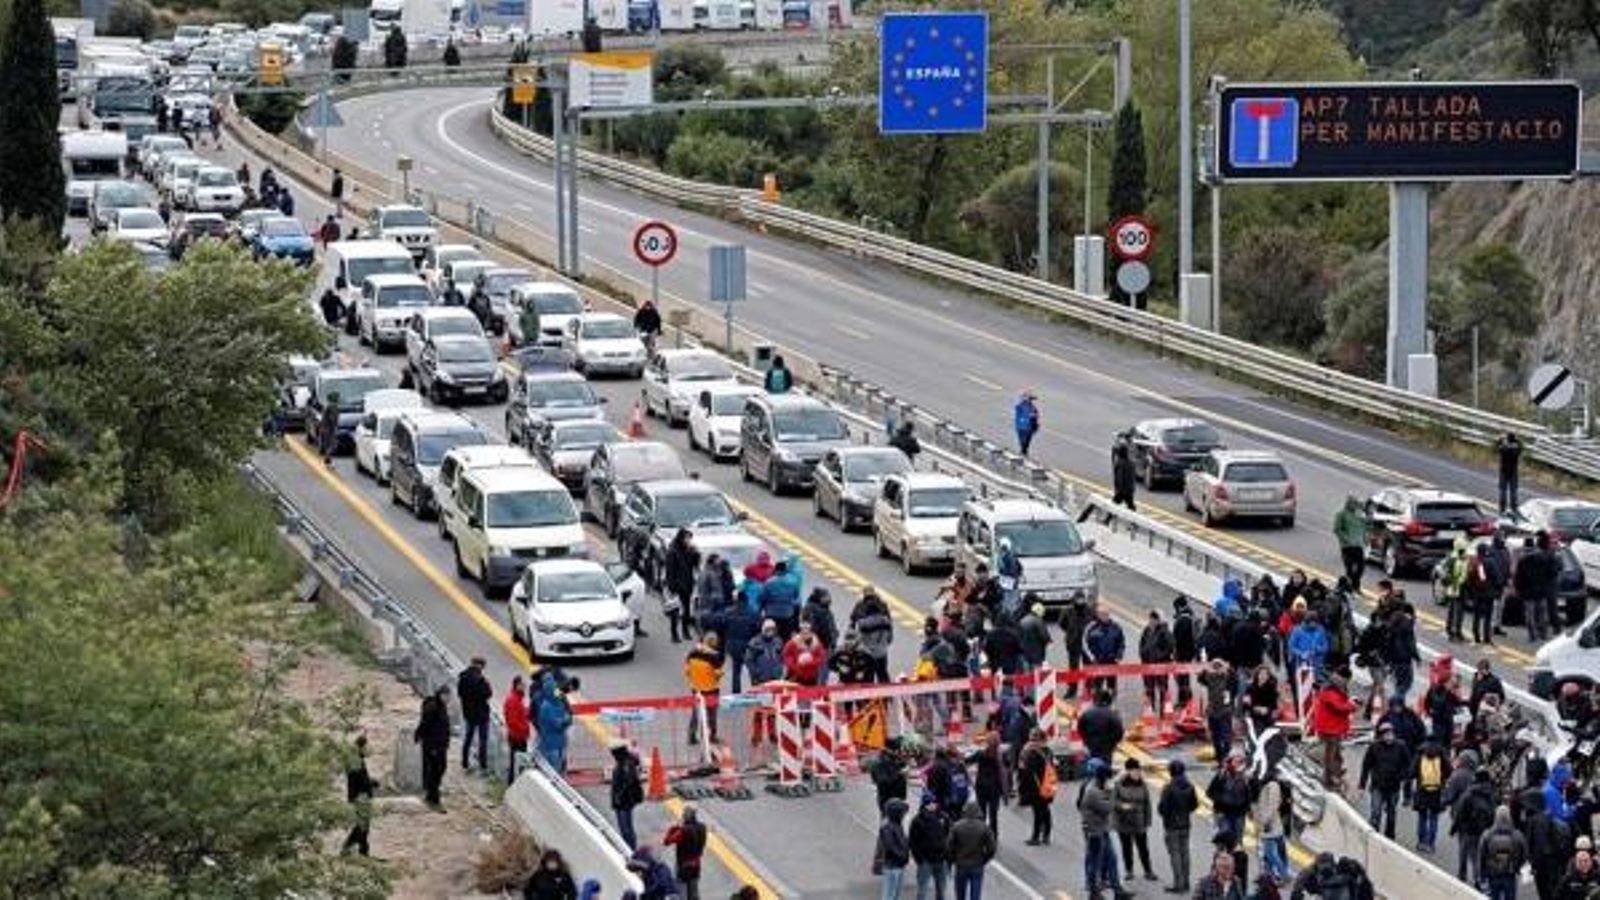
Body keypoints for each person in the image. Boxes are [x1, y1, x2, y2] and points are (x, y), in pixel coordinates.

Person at [1079, 758, 1129, 900]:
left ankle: (1118, 891)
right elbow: (1107, 808)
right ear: (1102, 779)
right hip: (1094, 833)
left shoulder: (1098, 787)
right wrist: (1113, 790)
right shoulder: (1092, 792)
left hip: (1102, 830)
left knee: (1112, 860)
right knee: (1095, 863)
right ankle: (1093, 892)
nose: (1110, 781)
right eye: (1108, 779)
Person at [1359, 722, 1412, 839]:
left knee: (1391, 814)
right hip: (1377, 785)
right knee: (1375, 812)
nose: (1389, 737)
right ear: (1381, 736)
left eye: (1391, 734)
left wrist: (1403, 777)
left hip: (1394, 786)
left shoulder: (1401, 746)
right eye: (1386, 734)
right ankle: (1373, 836)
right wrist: (1362, 786)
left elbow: (1408, 765)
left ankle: (1389, 837)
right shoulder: (1374, 747)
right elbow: (1366, 766)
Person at [1310, 671, 1357, 790]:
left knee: (1335, 754)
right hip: (1330, 729)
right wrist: (1352, 706)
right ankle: (1329, 780)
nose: (1348, 683)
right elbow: (1339, 707)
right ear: (1344, 678)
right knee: (1330, 756)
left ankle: (1336, 773)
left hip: (1333, 728)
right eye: (1348, 680)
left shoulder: (1333, 688)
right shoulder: (1330, 691)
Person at [1159, 759, 1200, 894]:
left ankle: (1179, 884)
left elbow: (1163, 809)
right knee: (1185, 853)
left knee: (1175, 855)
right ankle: (1186, 882)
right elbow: (1194, 805)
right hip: (1185, 824)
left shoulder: (1168, 788)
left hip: (1171, 826)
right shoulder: (1190, 786)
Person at [1452, 768, 1499, 885]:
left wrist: (1454, 827)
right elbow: (1494, 811)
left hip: (1468, 829)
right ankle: (1478, 877)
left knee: (1464, 852)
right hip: (1485, 829)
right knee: (1479, 854)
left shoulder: (1469, 793)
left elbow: (1460, 812)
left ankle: (1462, 874)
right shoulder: (1491, 794)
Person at [1113, 758, 1157, 882]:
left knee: (1143, 848)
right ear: (1128, 771)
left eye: (1138, 770)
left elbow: (1147, 803)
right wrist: (1122, 806)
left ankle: (1148, 870)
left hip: (1139, 821)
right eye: (1134, 770)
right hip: (1124, 821)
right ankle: (1129, 870)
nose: (1137, 773)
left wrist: (1148, 820)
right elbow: (1113, 802)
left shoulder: (1142, 784)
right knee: (1126, 848)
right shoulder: (1119, 784)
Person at [947, 802, 996, 900]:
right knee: (975, 895)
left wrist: (953, 859)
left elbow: (949, 846)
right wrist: (984, 860)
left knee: (960, 894)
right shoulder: (984, 827)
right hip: (977, 864)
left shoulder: (957, 826)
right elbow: (992, 848)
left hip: (961, 865)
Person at [413, 685, 451, 810]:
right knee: (435, 769)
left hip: (441, 744)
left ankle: (432, 792)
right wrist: (418, 735)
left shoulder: (442, 707)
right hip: (432, 744)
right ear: (439, 695)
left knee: (441, 768)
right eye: (445, 695)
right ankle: (434, 798)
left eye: (448, 695)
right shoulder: (433, 707)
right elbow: (424, 724)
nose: (447, 698)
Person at [1479, 805, 1528, 900]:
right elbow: (1524, 854)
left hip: (1493, 873)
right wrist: (1517, 867)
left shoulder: (1487, 835)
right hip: (1510, 873)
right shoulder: (1517, 835)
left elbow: (1481, 855)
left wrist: (1482, 875)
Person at [909, 794, 951, 900]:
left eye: (934, 802)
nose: (934, 804)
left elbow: (949, 836)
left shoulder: (944, 817)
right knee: (922, 890)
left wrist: (947, 855)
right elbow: (913, 841)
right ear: (925, 804)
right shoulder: (918, 820)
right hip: (926, 861)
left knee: (941, 891)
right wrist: (919, 858)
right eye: (931, 803)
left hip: (941, 859)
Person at [1017, 728, 1056, 846]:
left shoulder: (1032, 753)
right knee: (1045, 810)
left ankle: (1036, 837)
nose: (1030, 740)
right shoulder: (1048, 751)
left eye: (1032, 737)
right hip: (1048, 784)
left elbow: (1028, 771)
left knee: (1038, 812)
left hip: (1037, 787)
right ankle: (1046, 835)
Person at [684, 634, 724, 745]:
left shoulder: (692, 653)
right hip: (711, 689)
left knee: (696, 713)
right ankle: (711, 736)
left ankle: (691, 736)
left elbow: (687, 670)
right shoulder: (714, 657)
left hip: (696, 688)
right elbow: (717, 673)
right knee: (711, 714)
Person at [342, 733, 378, 855]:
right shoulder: (355, 761)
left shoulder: (355, 758)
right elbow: (360, 781)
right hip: (360, 796)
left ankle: (362, 850)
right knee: (362, 825)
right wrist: (372, 783)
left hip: (358, 795)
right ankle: (350, 847)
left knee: (363, 825)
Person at [1207, 753, 1254, 845]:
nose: (1239, 764)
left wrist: (1249, 810)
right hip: (1223, 813)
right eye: (1236, 761)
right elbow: (1209, 792)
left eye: (1241, 762)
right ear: (1229, 762)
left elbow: (1252, 795)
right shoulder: (1221, 775)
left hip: (1239, 814)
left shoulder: (1246, 778)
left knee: (1238, 840)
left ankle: (1237, 858)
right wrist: (1221, 801)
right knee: (1225, 839)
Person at [457, 657, 493, 773]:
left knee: (468, 738)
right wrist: (487, 684)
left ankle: (465, 762)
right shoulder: (480, 679)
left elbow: (460, 694)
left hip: (468, 712)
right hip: (481, 713)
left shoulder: (463, 677)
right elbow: (487, 694)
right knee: (483, 740)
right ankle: (483, 765)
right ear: (480, 666)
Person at [851, 587, 895, 683]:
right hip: (882, 652)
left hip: (867, 654)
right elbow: (890, 635)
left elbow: (856, 633)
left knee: (867, 677)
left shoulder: (862, 620)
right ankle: (886, 696)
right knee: (882, 675)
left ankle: (869, 696)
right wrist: (886, 642)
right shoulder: (885, 617)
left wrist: (853, 647)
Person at [663, 529, 700, 643]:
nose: (688, 540)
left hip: (687, 584)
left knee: (687, 610)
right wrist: (672, 587)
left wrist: (695, 553)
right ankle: (674, 634)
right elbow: (670, 571)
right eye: (686, 538)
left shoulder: (688, 550)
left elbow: (694, 564)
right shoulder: (672, 551)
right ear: (681, 538)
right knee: (675, 611)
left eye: (690, 538)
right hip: (676, 586)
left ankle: (685, 631)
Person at [664, 806, 708, 900]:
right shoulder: (702, 827)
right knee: (694, 892)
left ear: (686, 816)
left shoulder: (683, 831)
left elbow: (667, 841)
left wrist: (674, 827)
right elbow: (703, 843)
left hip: (683, 865)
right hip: (696, 864)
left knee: (681, 892)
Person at [1084, 605, 1125, 698]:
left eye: (1106, 614)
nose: (1104, 616)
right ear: (1097, 615)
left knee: (1112, 685)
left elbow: (1121, 643)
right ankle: (1096, 705)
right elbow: (1085, 644)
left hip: (1112, 661)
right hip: (1098, 661)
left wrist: (1119, 656)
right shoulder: (1091, 627)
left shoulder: (1116, 627)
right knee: (1097, 685)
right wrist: (1092, 658)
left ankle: (1112, 705)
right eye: (1102, 614)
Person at [1253, 777, 1289, 885]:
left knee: (1269, 853)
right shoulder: (1269, 785)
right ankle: (1267, 877)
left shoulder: (1272, 785)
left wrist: (1264, 820)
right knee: (1267, 854)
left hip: (1270, 827)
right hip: (1269, 825)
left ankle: (1283, 875)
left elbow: (1272, 806)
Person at [1139, 610, 1174, 715]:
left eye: (1154, 619)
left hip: (1160, 666)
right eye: (1151, 619)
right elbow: (1141, 644)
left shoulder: (1165, 632)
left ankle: (1163, 712)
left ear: (1159, 620)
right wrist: (1143, 655)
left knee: (1163, 690)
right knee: (1149, 690)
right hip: (1148, 666)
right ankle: (1151, 711)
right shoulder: (1146, 630)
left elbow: (1170, 648)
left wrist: (1159, 657)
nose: (1152, 621)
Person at [610, 744, 645, 849]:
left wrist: (618, 796)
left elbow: (627, 782)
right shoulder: (626, 763)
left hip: (624, 802)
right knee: (626, 828)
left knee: (626, 829)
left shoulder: (626, 765)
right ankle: (630, 848)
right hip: (623, 801)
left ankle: (630, 849)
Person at [876, 798, 912, 900]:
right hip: (892, 865)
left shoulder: (897, 824)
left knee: (895, 894)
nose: (904, 815)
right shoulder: (887, 827)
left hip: (899, 865)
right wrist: (903, 855)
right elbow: (890, 846)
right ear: (896, 812)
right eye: (902, 812)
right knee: (890, 895)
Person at [536, 674, 573, 772]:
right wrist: (565, 720)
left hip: (560, 742)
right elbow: (557, 724)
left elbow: (567, 714)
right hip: (551, 744)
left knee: (561, 766)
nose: (556, 692)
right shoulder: (546, 707)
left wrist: (566, 719)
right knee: (554, 770)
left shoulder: (558, 701)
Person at [1078, 689, 1125, 766]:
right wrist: (1113, 743)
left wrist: (1086, 741)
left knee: (1091, 764)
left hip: (1091, 745)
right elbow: (1119, 732)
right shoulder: (1113, 715)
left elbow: (1081, 728)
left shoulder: (1087, 714)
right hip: (1107, 747)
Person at [1332, 496, 1368, 590]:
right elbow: (1337, 529)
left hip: (1358, 545)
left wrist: (1365, 538)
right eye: (1353, 503)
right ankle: (1349, 587)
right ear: (1348, 504)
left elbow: (1363, 528)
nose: (1355, 506)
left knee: (1361, 567)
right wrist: (1346, 539)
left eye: (1356, 504)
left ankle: (1354, 585)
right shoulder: (1341, 514)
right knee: (1349, 568)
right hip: (1347, 547)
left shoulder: (1359, 516)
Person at [782, 621, 827, 686]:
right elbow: (786, 656)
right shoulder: (792, 643)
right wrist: (796, 665)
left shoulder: (817, 644)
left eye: (807, 631)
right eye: (803, 631)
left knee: (811, 694)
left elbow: (821, 658)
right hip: (796, 676)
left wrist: (810, 661)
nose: (805, 634)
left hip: (812, 677)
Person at [505, 674, 531, 783]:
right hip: (517, 736)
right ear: (516, 685)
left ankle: (514, 781)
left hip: (518, 735)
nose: (524, 686)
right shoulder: (513, 700)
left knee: (517, 761)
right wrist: (524, 729)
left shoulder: (517, 698)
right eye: (522, 685)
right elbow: (512, 721)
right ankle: (513, 782)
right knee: (516, 762)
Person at [744, 620, 786, 687]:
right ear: (763, 629)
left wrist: (780, 670)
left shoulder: (778, 641)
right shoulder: (755, 642)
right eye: (768, 629)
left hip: (776, 678)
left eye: (773, 629)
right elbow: (749, 660)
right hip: (760, 679)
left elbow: (783, 657)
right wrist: (756, 673)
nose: (770, 631)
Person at [1498, 432, 1523, 514]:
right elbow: (1521, 448)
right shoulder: (1516, 447)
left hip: (1504, 471)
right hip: (1513, 471)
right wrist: (1517, 440)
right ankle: (1513, 507)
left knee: (1503, 491)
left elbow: (1498, 446)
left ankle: (1502, 507)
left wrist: (1501, 439)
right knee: (1513, 491)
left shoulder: (1503, 446)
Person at [1111, 434, 1137, 510]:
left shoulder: (1119, 463)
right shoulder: (1131, 464)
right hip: (1130, 490)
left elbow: (1120, 478)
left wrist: (1119, 490)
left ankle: (1107, 519)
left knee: (1113, 506)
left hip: (1122, 490)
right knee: (1131, 506)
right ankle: (1133, 519)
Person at [1013, 391, 1040, 457]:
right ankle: (1023, 453)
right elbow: (1019, 411)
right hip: (1021, 426)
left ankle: (1023, 453)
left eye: (1031, 399)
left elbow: (1035, 418)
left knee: (1026, 442)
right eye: (1030, 399)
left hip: (1028, 427)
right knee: (1023, 442)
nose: (1031, 401)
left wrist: (1035, 425)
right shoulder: (1020, 406)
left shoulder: (1033, 408)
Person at [318, 391, 342, 463]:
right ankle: (327, 457)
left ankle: (328, 458)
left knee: (327, 444)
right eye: (337, 397)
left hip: (324, 428)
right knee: (333, 444)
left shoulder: (327, 406)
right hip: (329, 429)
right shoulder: (333, 407)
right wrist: (335, 428)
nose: (338, 399)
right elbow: (333, 419)